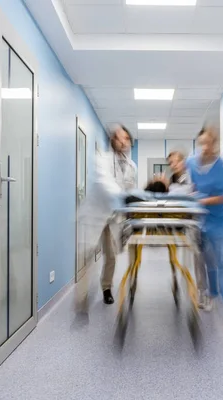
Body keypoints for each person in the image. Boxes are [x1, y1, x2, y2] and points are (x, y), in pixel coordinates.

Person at [186, 125, 223, 338]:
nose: (205, 147)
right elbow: (192, 185)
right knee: (208, 263)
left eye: (209, 143)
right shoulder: (192, 162)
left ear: (215, 144)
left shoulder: (222, 167)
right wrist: (191, 197)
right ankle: (211, 295)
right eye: (201, 143)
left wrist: (201, 200)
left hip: (220, 223)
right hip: (201, 222)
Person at [74, 123, 137, 315]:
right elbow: (105, 182)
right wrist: (123, 196)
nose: (122, 141)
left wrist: (130, 204)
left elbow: (130, 188)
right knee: (86, 255)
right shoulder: (102, 158)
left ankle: (106, 288)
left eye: (126, 138)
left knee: (110, 256)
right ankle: (82, 297)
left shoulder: (132, 166)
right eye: (119, 137)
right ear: (112, 140)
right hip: (96, 213)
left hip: (114, 217)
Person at [166, 150, 211, 311]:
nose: (173, 165)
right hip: (177, 221)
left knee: (199, 256)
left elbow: (198, 194)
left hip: (194, 220)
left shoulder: (194, 175)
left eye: (176, 161)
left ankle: (202, 292)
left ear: (183, 161)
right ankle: (176, 283)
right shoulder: (172, 180)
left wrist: (185, 194)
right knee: (174, 254)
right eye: (170, 163)